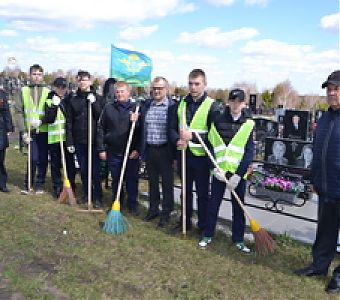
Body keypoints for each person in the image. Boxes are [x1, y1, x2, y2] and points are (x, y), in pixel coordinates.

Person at [294, 70, 340, 294]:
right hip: (326, 186)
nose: (332, 93)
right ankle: (319, 266)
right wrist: (314, 179)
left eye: (336, 89)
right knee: (325, 231)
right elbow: (318, 150)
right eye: (329, 89)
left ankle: (339, 276)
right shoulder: (325, 118)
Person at [198, 89, 254, 253]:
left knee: (238, 207)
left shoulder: (248, 124)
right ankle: (207, 234)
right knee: (213, 205)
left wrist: (238, 174)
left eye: (239, 101)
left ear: (244, 104)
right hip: (219, 173)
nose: (236, 104)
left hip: (237, 175)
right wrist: (213, 168)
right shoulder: (217, 120)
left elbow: (249, 151)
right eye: (233, 101)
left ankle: (238, 239)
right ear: (228, 102)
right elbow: (210, 146)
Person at [169, 68, 220, 232]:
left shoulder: (212, 106)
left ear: (204, 84)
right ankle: (184, 221)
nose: (193, 87)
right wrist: (177, 139)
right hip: (184, 154)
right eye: (190, 83)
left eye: (197, 84)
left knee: (203, 194)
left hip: (202, 158)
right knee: (185, 192)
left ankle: (203, 225)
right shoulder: (181, 103)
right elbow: (171, 128)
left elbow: (215, 135)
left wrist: (194, 136)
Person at [97, 81, 141, 215]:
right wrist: (101, 149)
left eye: (122, 91)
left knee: (131, 179)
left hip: (130, 152)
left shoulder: (136, 109)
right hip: (113, 151)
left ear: (128, 92)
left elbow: (142, 132)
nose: (120, 94)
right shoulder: (109, 108)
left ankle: (132, 204)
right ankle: (117, 201)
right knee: (116, 179)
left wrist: (138, 149)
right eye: (117, 91)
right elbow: (101, 128)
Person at [140, 77, 176, 227]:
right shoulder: (147, 105)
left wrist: (176, 155)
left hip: (166, 151)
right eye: (154, 88)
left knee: (167, 185)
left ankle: (166, 213)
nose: (156, 91)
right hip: (150, 149)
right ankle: (153, 209)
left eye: (159, 88)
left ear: (166, 89)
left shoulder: (173, 107)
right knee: (153, 183)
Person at [66, 70, 104, 208]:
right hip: (80, 140)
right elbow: (69, 121)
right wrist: (70, 141)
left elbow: (101, 117)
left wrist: (94, 104)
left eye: (85, 79)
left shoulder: (98, 98)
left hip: (94, 141)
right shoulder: (74, 99)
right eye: (80, 80)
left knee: (95, 170)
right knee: (83, 170)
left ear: (90, 81)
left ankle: (98, 196)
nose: (83, 82)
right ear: (77, 81)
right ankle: (87, 194)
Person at [13, 64, 50, 194]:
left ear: (42, 76)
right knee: (33, 158)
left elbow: (51, 111)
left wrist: (42, 121)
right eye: (34, 74)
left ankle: (40, 183)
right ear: (30, 75)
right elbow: (18, 111)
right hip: (30, 131)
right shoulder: (23, 90)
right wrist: (23, 131)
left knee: (43, 158)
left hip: (44, 130)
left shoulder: (47, 92)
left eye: (39, 74)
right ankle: (28, 182)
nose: (36, 77)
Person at [44, 77, 76, 198]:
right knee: (55, 164)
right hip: (54, 138)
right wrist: (54, 106)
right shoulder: (49, 99)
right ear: (54, 87)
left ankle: (71, 186)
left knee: (70, 164)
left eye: (64, 87)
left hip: (67, 138)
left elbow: (71, 118)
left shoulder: (70, 99)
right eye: (59, 87)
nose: (61, 90)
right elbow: (49, 119)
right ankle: (57, 187)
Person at [0, 88, 14, 192]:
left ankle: (2, 183)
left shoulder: (2, 94)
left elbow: (6, 111)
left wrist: (9, 128)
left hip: (0, 129)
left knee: (0, 159)